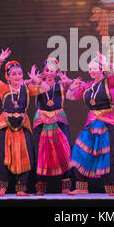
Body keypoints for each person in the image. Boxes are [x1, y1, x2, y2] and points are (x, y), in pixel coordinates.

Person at [0, 48, 49, 197]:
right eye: (14, 74)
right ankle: (2, 187)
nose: (17, 76)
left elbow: (46, 88)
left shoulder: (27, 89)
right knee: (1, 155)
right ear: (8, 77)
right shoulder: (3, 88)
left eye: (20, 74)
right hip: (5, 124)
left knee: (26, 155)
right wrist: (0, 60)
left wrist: (36, 80)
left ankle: (21, 188)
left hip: (23, 124)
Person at [66, 53, 114, 196]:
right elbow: (69, 96)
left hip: (110, 123)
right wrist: (72, 86)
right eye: (89, 69)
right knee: (79, 152)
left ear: (102, 69)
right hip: (92, 124)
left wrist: (108, 64)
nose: (91, 71)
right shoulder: (88, 86)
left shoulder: (109, 81)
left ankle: (110, 189)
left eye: (94, 68)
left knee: (108, 157)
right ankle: (81, 186)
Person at [31, 58, 73, 195]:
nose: (49, 73)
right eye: (47, 70)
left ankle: (66, 185)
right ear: (43, 71)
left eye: (52, 70)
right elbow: (37, 88)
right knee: (40, 153)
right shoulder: (36, 85)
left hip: (59, 119)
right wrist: (35, 80)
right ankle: (40, 187)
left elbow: (74, 89)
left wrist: (70, 82)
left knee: (65, 151)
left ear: (57, 72)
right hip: (41, 120)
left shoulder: (61, 85)